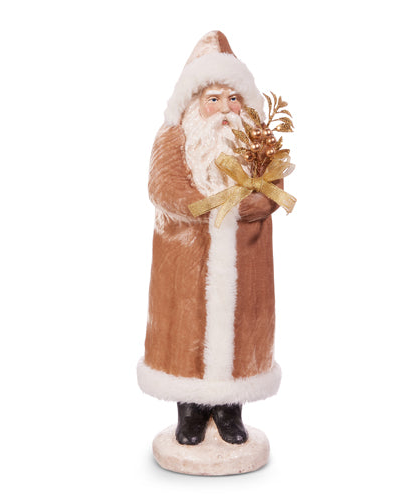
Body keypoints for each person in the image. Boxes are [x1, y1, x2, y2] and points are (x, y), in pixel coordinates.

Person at [137, 31, 284, 445]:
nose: (224, 108)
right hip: (187, 256)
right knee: (186, 334)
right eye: (213, 99)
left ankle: (229, 410)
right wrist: (211, 206)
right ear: (194, 103)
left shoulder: (257, 139)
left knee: (241, 333)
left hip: (245, 255)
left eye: (232, 99)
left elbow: (274, 183)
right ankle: (190, 411)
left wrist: (256, 203)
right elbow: (163, 187)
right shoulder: (174, 137)